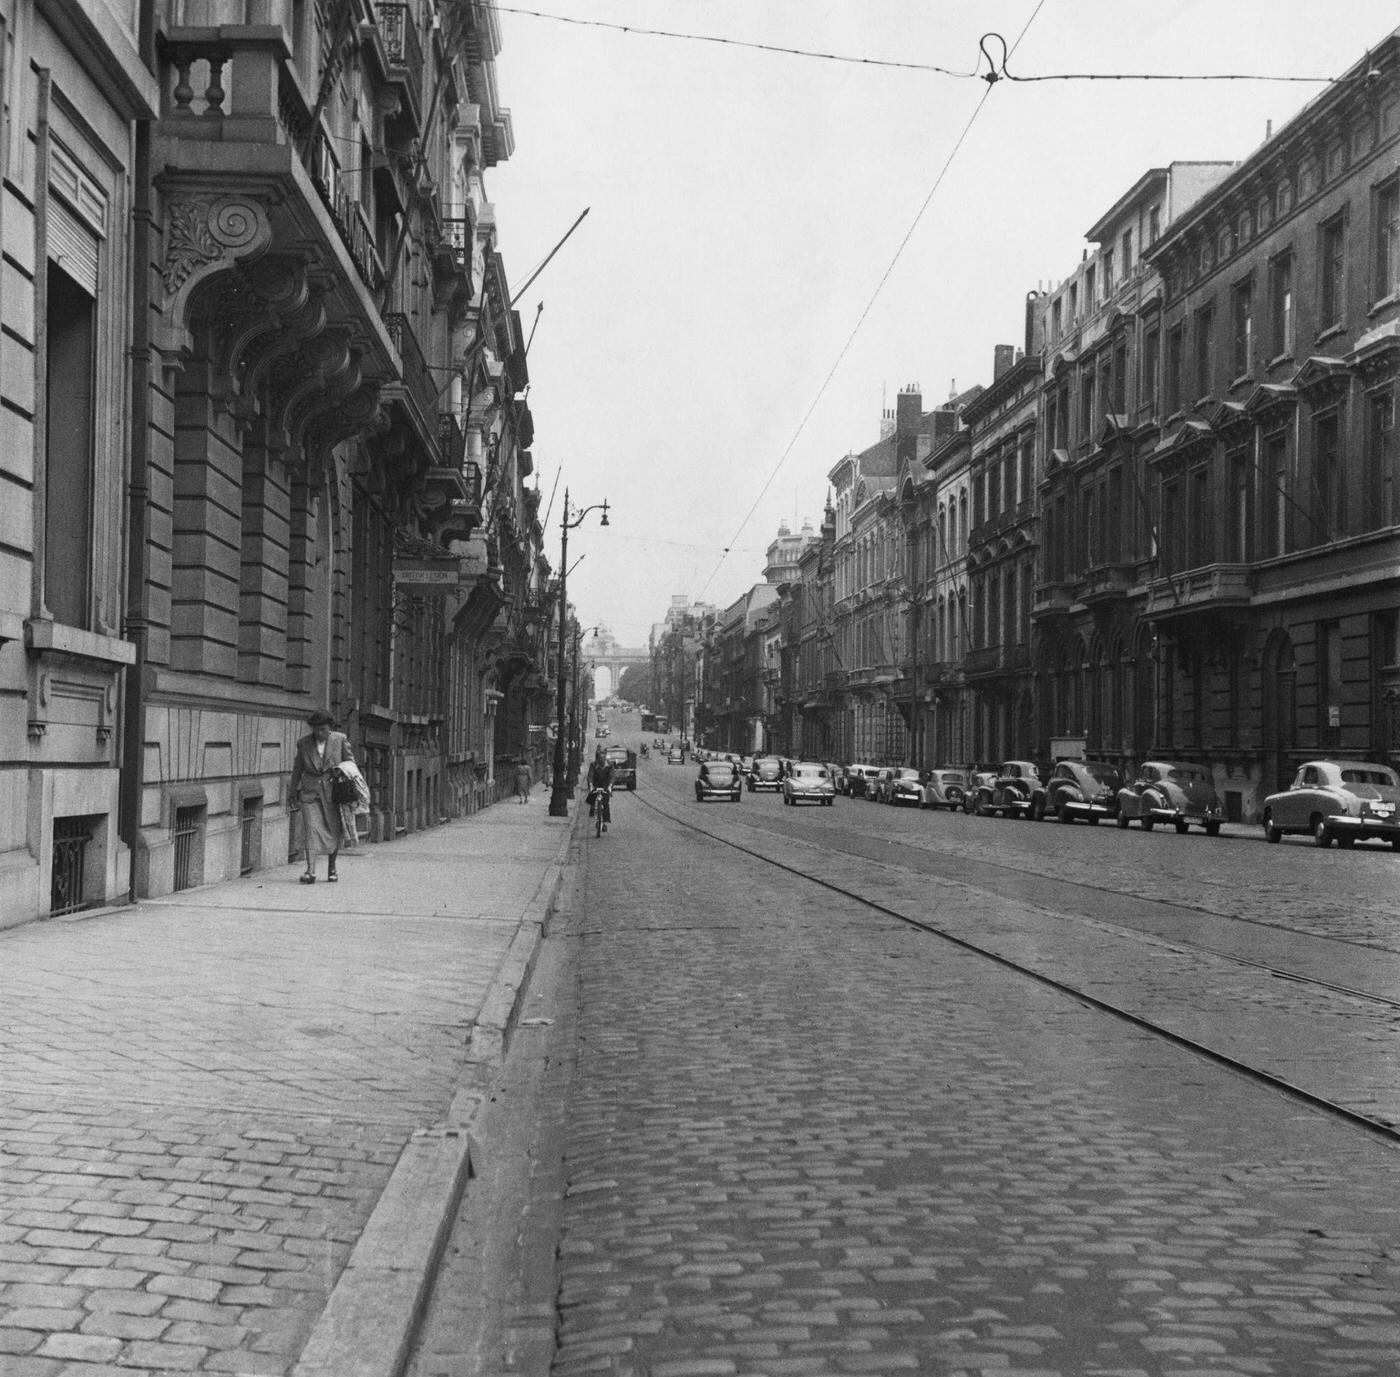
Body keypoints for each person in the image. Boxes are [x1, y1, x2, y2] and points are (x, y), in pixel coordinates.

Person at [289, 708, 355, 884]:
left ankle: (332, 868)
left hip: (333, 793)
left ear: (330, 728)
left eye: (323, 729)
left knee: (333, 830)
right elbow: (298, 769)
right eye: (316, 729)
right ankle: (310, 871)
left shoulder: (340, 740)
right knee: (310, 830)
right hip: (309, 794)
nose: (319, 733)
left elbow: (350, 764)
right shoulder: (303, 743)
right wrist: (292, 792)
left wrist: (339, 772)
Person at [586, 749, 615, 831]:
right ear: (597, 759)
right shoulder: (593, 765)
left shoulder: (610, 765)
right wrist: (591, 785)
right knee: (592, 797)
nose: (601, 760)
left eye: (603, 758)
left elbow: (612, 776)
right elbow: (590, 775)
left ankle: (604, 822)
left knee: (605, 803)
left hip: (606, 785)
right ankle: (593, 810)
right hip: (595, 784)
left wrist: (610, 786)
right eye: (600, 758)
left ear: (605, 758)